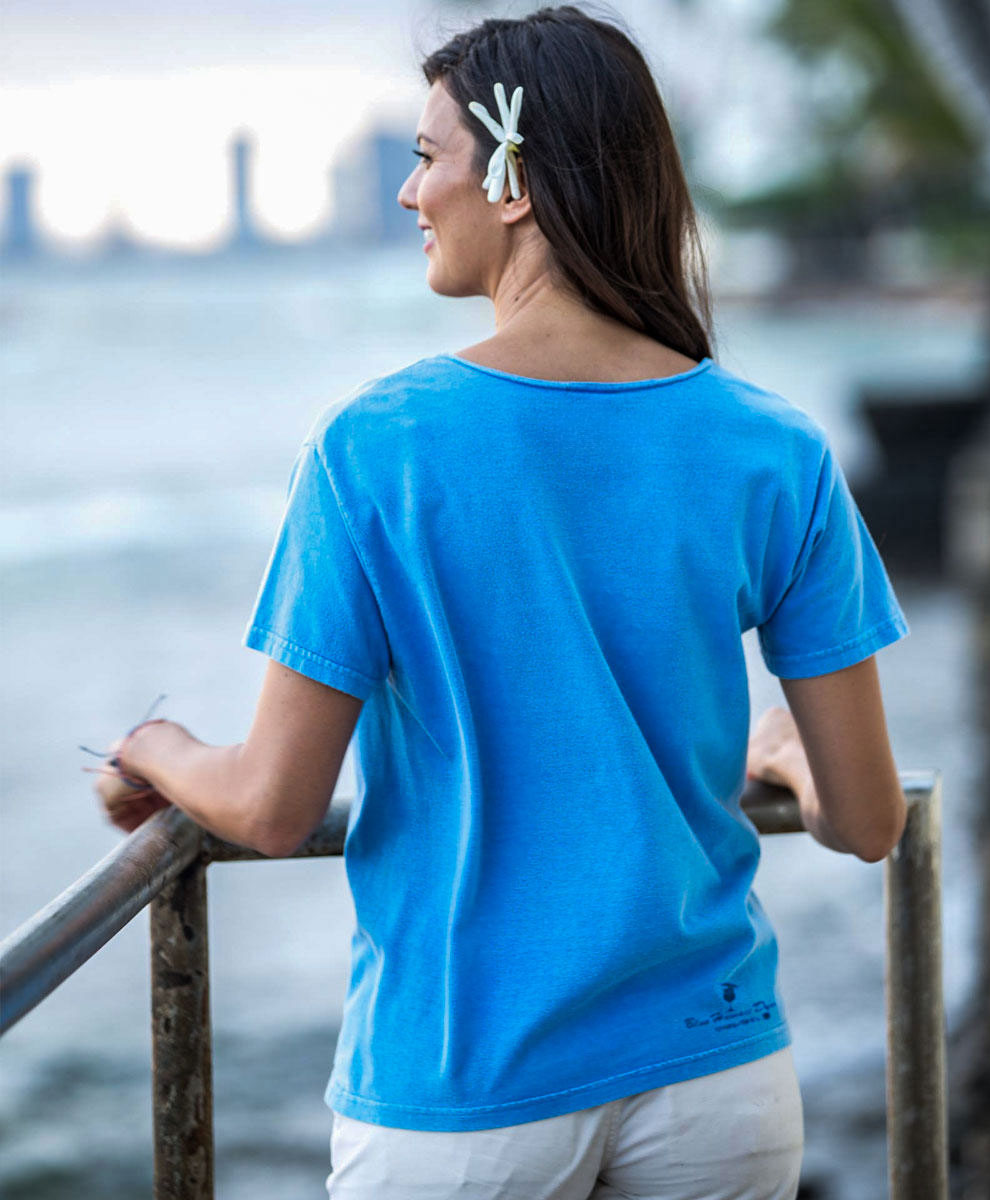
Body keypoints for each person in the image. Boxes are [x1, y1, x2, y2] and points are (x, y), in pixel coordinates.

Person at [95, 6, 910, 1197]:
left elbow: (273, 808)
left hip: (464, 1094)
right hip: (716, 1082)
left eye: (427, 158)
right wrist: (781, 760)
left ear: (514, 183)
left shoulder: (377, 447)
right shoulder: (772, 449)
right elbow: (871, 822)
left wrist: (159, 749)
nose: (408, 193)